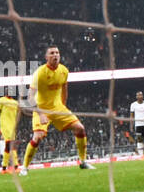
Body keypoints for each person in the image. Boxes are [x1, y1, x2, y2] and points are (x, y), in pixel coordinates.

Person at [21, 46, 94, 174]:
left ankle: (83, 162)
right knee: (38, 137)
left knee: (80, 128)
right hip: (41, 108)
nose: (55, 55)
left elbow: (64, 88)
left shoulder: (64, 71)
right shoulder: (40, 73)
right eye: (52, 53)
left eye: (57, 53)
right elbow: (30, 97)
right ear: (46, 57)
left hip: (58, 108)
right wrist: (40, 114)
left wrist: (63, 105)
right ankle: (24, 168)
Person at [0, 92, 20, 173]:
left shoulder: (15, 103)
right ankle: (16, 166)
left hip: (12, 127)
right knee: (11, 145)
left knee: (8, 146)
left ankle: (4, 168)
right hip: (5, 126)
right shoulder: (1, 100)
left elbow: (19, 113)